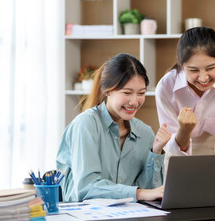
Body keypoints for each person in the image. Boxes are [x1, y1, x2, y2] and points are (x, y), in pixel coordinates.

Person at [56, 53, 171, 202]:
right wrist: (138, 194)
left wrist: (156, 152)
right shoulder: (85, 125)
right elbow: (87, 188)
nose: (134, 101)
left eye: (141, 93)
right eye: (127, 93)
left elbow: (151, 193)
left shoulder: (145, 133)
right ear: (107, 91)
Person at [155, 27, 215, 166]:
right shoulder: (165, 88)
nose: (203, 78)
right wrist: (184, 130)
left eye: (210, 68)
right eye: (193, 70)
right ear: (181, 63)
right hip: (177, 159)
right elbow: (171, 149)